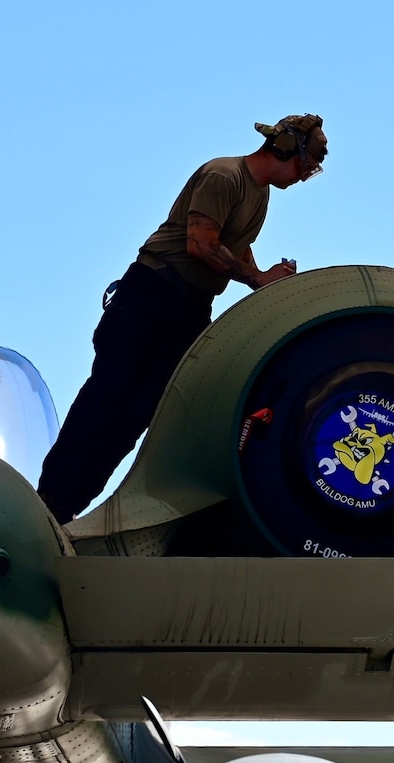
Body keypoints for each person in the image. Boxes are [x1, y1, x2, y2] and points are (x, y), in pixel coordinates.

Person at [34, 115, 326, 524]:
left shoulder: (259, 196)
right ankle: (45, 501)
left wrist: (260, 281)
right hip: (152, 293)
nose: (302, 176)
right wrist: (257, 279)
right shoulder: (224, 176)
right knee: (106, 396)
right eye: (304, 164)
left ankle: (64, 512)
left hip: (189, 308)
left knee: (139, 415)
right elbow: (200, 244)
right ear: (283, 149)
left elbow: (235, 246)